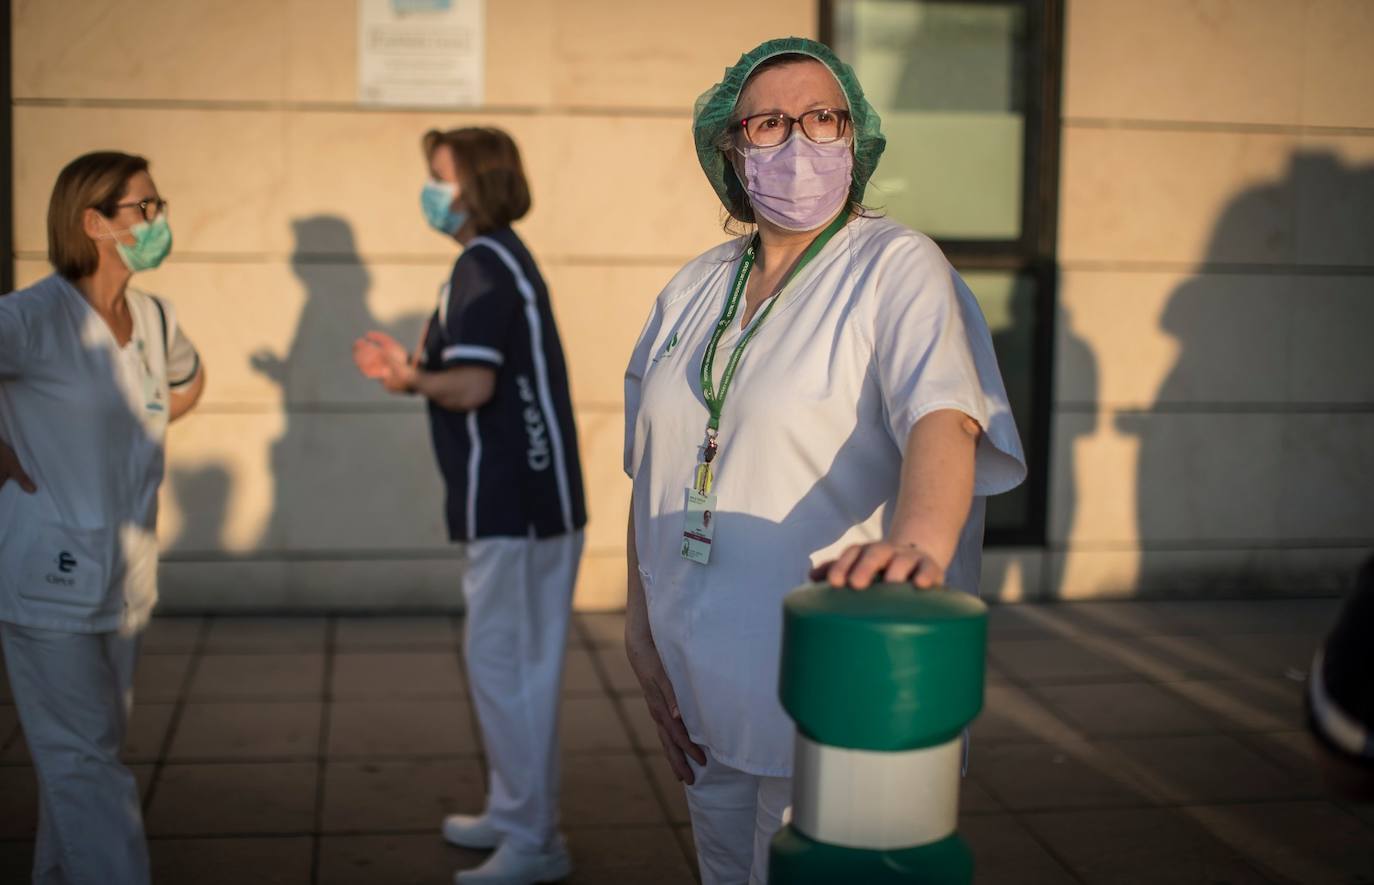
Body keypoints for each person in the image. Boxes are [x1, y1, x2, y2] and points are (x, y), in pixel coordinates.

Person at [622, 38, 1026, 884]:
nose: (799, 140)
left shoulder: (896, 266)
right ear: (731, 151)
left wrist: (916, 549)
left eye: (823, 117)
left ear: (855, 139)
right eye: (769, 122)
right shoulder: (696, 286)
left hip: (837, 686)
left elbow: (944, 418)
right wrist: (638, 630)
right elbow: (651, 463)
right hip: (698, 687)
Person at [352, 126, 587, 885]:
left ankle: (534, 840)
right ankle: (515, 810)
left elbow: (475, 386)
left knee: (506, 665)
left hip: (516, 500)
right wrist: (412, 371)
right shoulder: (494, 261)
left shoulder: (482, 266)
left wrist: (413, 380)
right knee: (518, 665)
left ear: (476, 184)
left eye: (440, 176)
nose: (430, 190)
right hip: (529, 497)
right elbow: (470, 374)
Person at [0, 151, 205, 884]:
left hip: (126, 576)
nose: (159, 221)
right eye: (142, 209)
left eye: (159, 204)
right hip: (48, 580)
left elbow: (184, 380)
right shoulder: (32, 318)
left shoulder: (152, 315)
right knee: (87, 765)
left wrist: (138, 427)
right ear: (93, 222)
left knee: (87, 756)